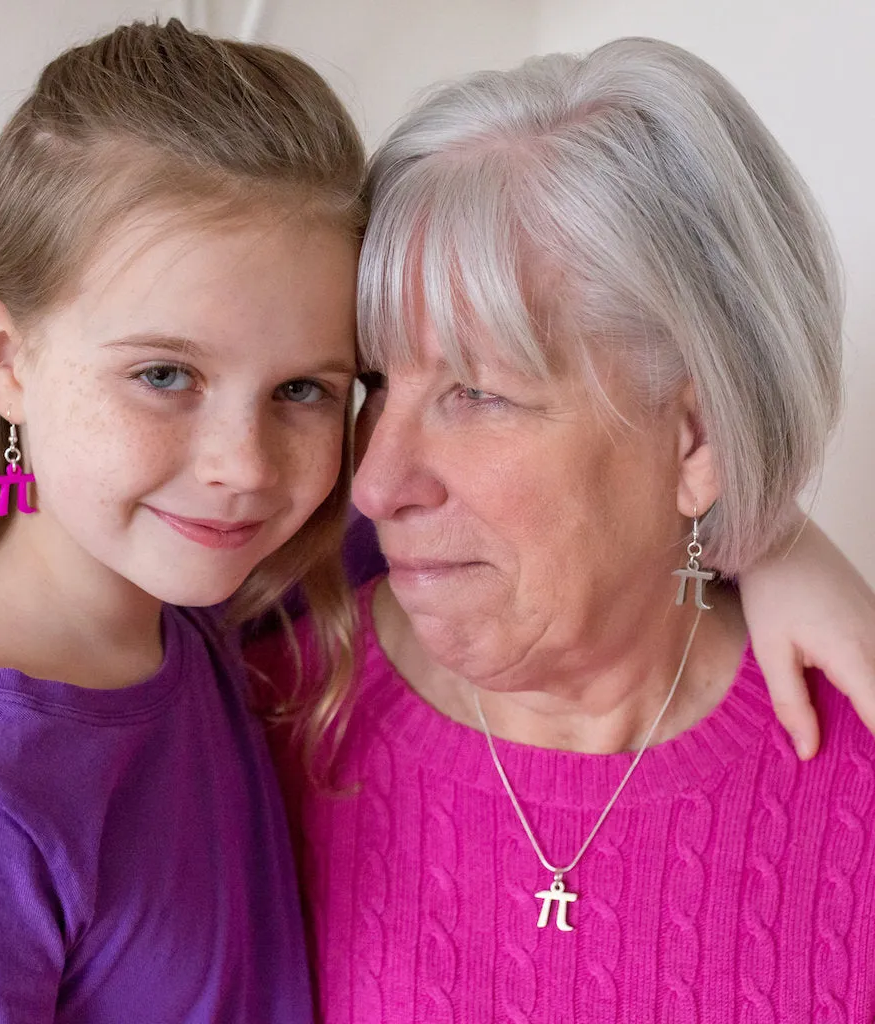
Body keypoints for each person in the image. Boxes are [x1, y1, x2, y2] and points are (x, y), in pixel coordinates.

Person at [251, 38, 875, 1021]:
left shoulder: (856, 773)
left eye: (474, 392)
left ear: (695, 435)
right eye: (372, 383)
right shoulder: (257, 724)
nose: (372, 482)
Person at [0, 20, 367, 1022]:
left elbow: (468, 522)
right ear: (2, 355)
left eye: (302, 387)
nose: (244, 467)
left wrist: (756, 541)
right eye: (164, 375)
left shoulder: (209, 603)